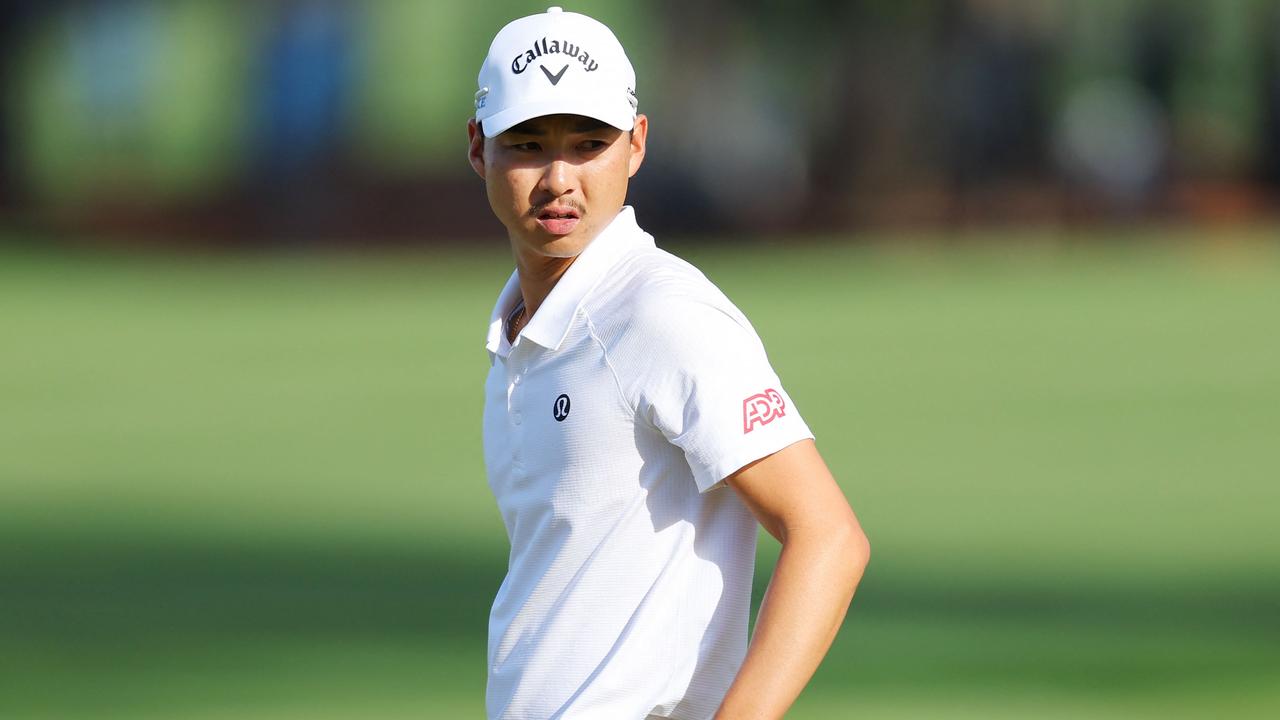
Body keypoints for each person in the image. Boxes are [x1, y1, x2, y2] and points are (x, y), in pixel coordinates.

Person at [467, 8, 869, 719]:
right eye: (527, 144)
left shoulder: (661, 313)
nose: (559, 179)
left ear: (637, 145)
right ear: (479, 148)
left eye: (590, 144)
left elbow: (829, 537)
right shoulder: (520, 335)